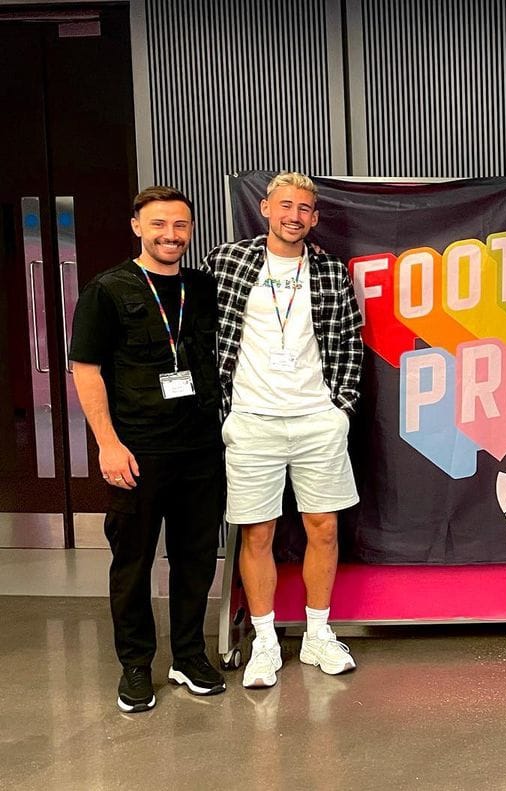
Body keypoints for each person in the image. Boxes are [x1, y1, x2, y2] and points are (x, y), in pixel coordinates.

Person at [200, 171, 364, 689]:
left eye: (305, 209)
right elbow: (203, 336)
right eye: (285, 205)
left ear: (314, 218)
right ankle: (266, 641)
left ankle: (317, 634)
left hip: (318, 420)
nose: (294, 216)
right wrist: (224, 414)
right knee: (258, 532)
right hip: (251, 421)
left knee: (325, 528)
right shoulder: (226, 262)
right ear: (267, 208)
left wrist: (341, 411)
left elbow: (349, 344)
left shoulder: (331, 272)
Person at [70, 186, 225, 712]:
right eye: (159, 224)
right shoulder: (107, 291)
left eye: (180, 226)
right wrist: (107, 444)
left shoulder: (202, 288)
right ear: (137, 225)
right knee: (133, 562)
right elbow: (86, 369)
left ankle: (187, 655)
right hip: (137, 451)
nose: (170, 236)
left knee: (196, 559)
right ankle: (136, 665)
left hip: (202, 449)